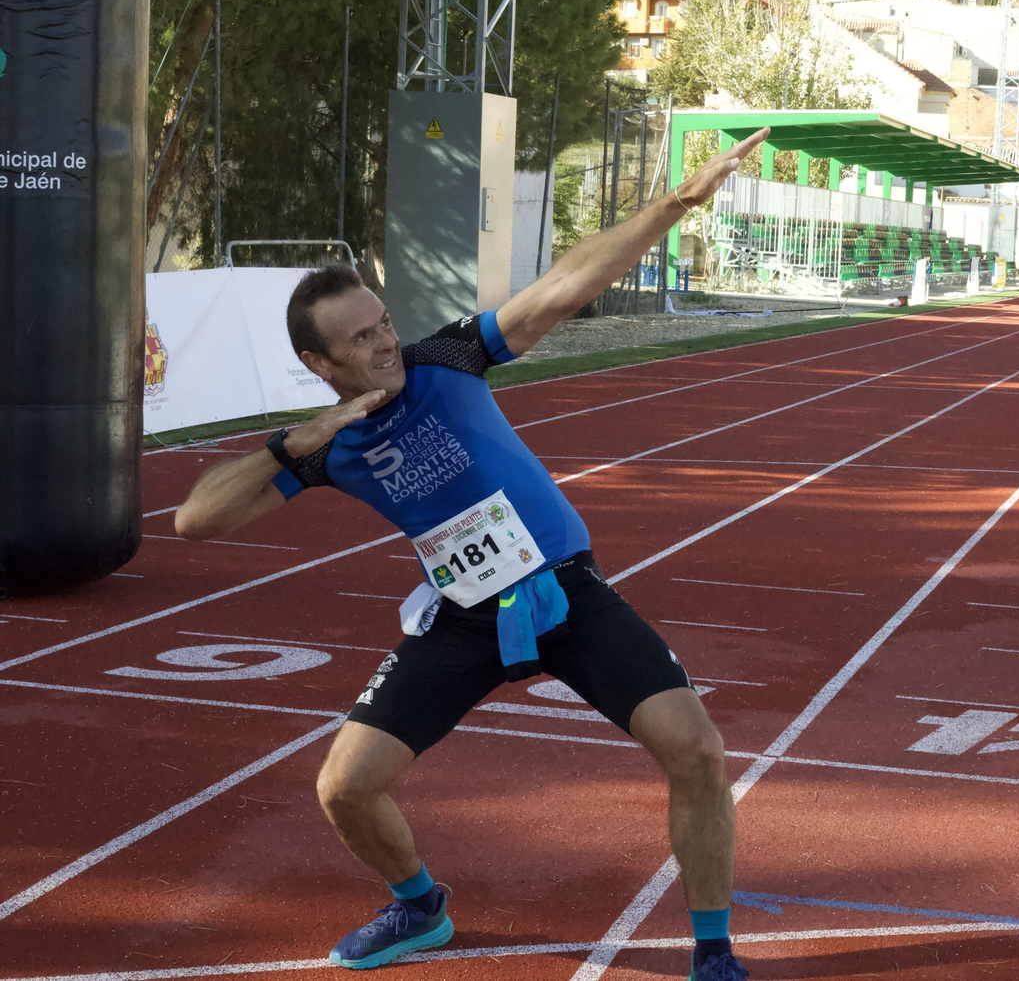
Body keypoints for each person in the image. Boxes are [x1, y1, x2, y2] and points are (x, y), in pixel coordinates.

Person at [173, 128, 772, 981]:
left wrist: (677, 203)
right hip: (463, 617)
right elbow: (195, 521)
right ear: (317, 361)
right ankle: (418, 905)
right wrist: (291, 443)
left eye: (384, 325)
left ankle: (713, 953)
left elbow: (566, 286)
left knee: (699, 751)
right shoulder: (325, 448)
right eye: (361, 341)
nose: (385, 347)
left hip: (565, 595)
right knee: (343, 788)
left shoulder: (448, 357)